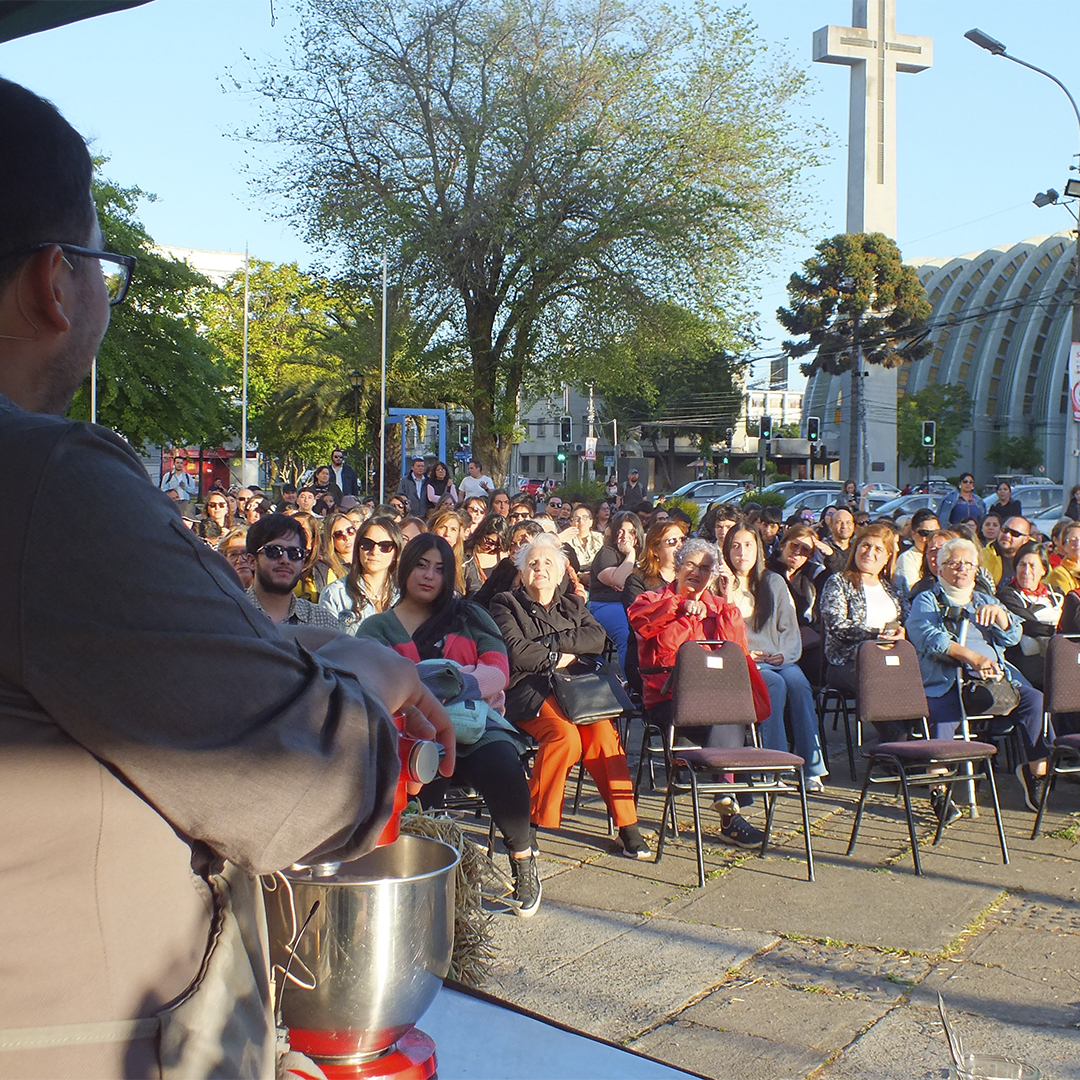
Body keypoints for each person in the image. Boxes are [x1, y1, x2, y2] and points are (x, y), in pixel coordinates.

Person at [0, 76, 455, 1080]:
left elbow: (86, 664)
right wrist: (375, 679)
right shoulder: (46, 482)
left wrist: (305, 644)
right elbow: (301, 786)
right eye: (101, 266)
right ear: (55, 279)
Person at [358, 535, 540, 915]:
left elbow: (498, 671)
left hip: (476, 724)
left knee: (503, 765)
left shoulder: (470, 616)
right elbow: (374, 683)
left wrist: (443, 685)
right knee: (422, 779)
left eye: (440, 569)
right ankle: (428, 879)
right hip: (413, 732)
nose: (429, 575)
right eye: (422, 565)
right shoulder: (376, 628)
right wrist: (434, 690)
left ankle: (523, 859)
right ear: (405, 567)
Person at [491, 534, 651, 858]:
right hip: (530, 690)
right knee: (565, 738)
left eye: (548, 562)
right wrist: (557, 656)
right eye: (533, 563)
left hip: (577, 689)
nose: (541, 568)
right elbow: (515, 651)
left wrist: (550, 643)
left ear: (561, 572)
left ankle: (627, 827)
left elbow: (596, 637)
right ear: (521, 573)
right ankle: (527, 825)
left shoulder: (574, 604)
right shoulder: (506, 603)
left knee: (604, 736)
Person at [627, 538, 769, 849]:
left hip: (716, 705)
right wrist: (678, 606)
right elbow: (640, 622)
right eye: (690, 564)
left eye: (705, 568)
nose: (696, 572)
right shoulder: (650, 599)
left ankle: (726, 800)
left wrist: (726, 597)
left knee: (731, 710)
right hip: (670, 702)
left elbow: (737, 653)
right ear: (676, 567)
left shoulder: (721, 608)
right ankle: (729, 810)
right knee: (730, 713)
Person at [906, 536, 1054, 813]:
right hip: (948, 676)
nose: (961, 568)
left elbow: (1012, 638)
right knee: (945, 714)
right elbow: (927, 637)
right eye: (953, 563)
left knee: (1034, 700)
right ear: (939, 567)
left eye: (968, 564)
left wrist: (1001, 615)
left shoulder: (986, 599)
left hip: (994, 678)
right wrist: (971, 657)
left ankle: (1036, 773)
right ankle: (939, 791)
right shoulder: (927, 599)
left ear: (976, 570)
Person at [723, 527, 828, 790]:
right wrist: (746, 652)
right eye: (735, 546)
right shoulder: (722, 583)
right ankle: (774, 766)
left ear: (758, 548)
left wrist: (785, 654)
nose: (742, 552)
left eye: (748, 545)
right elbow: (724, 629)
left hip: (779, 656)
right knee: (775, 685)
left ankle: (812, 768)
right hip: (745, 660)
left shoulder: (773, 581)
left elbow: (789, 625)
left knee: (799, 684)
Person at [819, 524, 907, 702]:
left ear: (887, 557)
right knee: (878, 682)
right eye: (865, 545)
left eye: (878, 548)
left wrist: (902, 633)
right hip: (848, 662)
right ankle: (898, 731)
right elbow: (838, 625)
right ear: (856, 549)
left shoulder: (892, 590)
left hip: (890, 657)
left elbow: (906, 620)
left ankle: (916, 727)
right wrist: (876, 634)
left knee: (913, 680)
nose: (869, 552)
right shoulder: (839, 582)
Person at [244, 513, 344, 629]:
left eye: (294, 553)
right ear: (252, 561)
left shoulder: (323, 623)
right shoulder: (228, 614)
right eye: (274, 551)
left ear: (302, 562)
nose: (285, 560)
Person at [996, 541, 1063, 690]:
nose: (1026, 571)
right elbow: (1028, 624)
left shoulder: (1057, 594)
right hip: (1024, 659)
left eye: (1032, 566)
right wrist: (1058, 632)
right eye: (1022, 565)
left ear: (1043, 569)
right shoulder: (1007, 595)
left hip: (1057, 654)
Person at [319, 515, 405, 631]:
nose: (374, 552)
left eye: (385, 546)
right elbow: (326, 643)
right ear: (358, 548)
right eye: (367, 544)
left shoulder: (404, 595)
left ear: (395, 552)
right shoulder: (335, 594)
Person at [588, 511, 644, 671]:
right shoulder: (607, 553)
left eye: (631, 532)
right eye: (620, 531)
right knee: (627, 634)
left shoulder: (645, 556)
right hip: (605, 604)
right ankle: (633, 684)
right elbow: (619, 581)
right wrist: (631, 554)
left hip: (635, 603)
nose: (624, 536)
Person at [894, 508, 940, 599]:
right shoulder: (907, 558)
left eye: (935, 532)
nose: (931, 537)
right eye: (925, 533)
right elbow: (911, 591)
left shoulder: (945, 554)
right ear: (913, 534)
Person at [462, 511, 509, 597]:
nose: (492, 547)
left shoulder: (504, 556)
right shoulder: (465, 551)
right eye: (489, 541)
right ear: (482, 533)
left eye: (497, 544)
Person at [559, 503, 604, 586]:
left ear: (591, 522)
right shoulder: (566, 542)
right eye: (577, 518)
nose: (581, 521)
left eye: (585, 517)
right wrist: (580, 577)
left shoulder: (601, 539)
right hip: (575, 581)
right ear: (571, 523)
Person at [980, 515, 1031, 588]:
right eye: (1005, 530)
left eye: (1014, 533)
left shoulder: (1035, 558)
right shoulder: (982, 556)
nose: (1007, 535)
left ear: (1025, 539)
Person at [429, 507, 468, 594]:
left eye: (453, 529)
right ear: (433, 529)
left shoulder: (466, 563)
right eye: (442, 527)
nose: (447, 534)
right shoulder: (420, 557)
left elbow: (475, 589)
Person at [1047, 519, 1080, 594]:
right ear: (1065, 546)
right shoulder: (1059, 574)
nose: (1078, 543)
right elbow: (1069, 603)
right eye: (1073, 540)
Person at [822, 507, 856, 575]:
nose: (844, 526)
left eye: (848, 522)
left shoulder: (857, 549)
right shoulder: (823, 548)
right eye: (839, 522)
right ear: (831, 527)